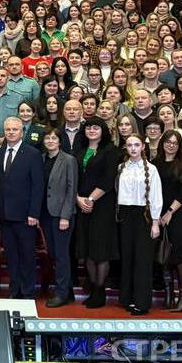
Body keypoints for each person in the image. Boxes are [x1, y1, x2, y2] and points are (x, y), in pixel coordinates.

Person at [0, 117, 45, 300]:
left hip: (25, 216)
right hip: (5, 215)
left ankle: (27, 291)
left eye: (15, 129)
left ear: (22, 132)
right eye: (8, 129)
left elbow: (38, 186)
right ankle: (14, 290)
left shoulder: (33, 154)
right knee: (11, 256)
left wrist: (34, 213)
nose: (11, 132)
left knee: (27, 255)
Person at [74, 117, 120, 308]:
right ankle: (93, 289)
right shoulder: (79, 150)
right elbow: (73, 177)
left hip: (102, 206)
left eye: (96, 127)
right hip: (82, 205)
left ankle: (100, 291)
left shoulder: (110, 151)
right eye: (88, 127)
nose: (92, 130)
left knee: (100, 251)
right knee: (87, 250)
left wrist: (91, 200)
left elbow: (108, 179)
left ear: (103, 131)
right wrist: (78, 199)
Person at [115, 133, 163, 316]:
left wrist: (155, 222)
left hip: (144, 215)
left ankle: (142, 302)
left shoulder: (152, 169)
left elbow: (156, 196)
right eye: (129, 145)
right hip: (126, 215)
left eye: (136, 145)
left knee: (142, 260)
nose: (133, 148)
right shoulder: (121, 167)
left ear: (143, 146)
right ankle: (127, 298)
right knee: (127, 258)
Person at [154, 130, 182, 312]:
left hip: (177, 214)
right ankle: (169, 294)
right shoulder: (155, 164)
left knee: (177, 254)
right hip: (158, 214)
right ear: (162, 143)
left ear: (179, 146)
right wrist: (157, 215)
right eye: (168, 142)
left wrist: (170, 211)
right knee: (163, 254)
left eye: (175, 143)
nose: (171, 145)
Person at [41, 128, 77, 307]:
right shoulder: (41, 158)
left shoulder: (68, 160)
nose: (50, 141)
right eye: (47, 138)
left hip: (62, 215)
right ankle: (68, 291)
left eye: (54, 138)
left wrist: (65, 216)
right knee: (54, 253)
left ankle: (61, 293)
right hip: (45, 214)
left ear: (60, 141)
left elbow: (71, 189)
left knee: (61, 255)